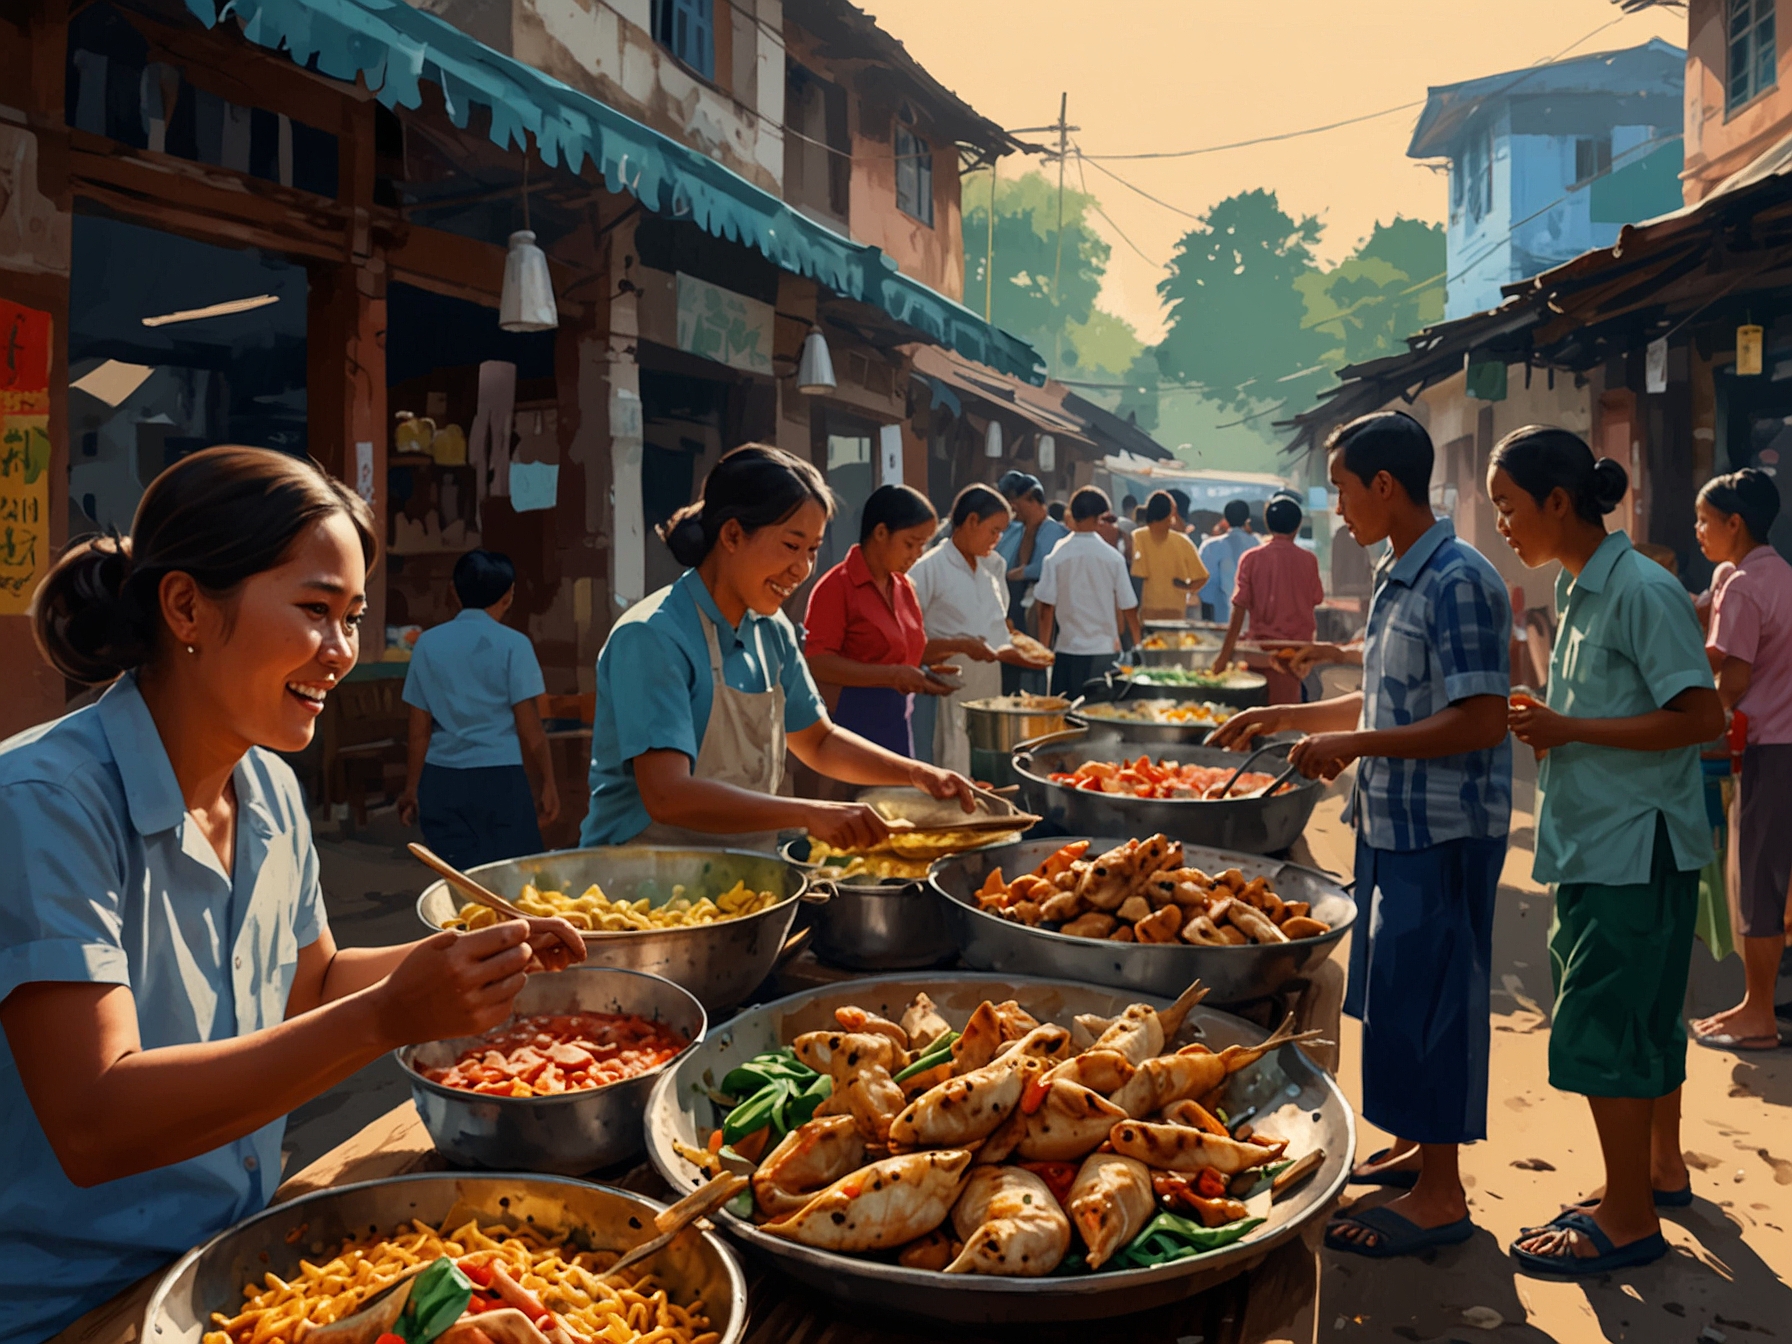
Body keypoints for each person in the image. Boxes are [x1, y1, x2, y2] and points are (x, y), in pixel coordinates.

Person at [0, 446, 586, 1342]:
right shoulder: (43, 804)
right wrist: (390, 1017)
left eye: (352, 618)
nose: (342, 652)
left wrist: (462, 954)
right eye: (316, 611)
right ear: (187, 605)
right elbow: (95, 1122)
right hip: (69, 1308)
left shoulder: (266, 789)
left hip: (233, 1262)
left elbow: (309, 981)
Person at [1213, 410, 1511, 1261]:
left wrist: (1349, 746)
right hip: (1390, 820)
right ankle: (1422, 1149)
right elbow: (1382, 703)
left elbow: (1481, 720)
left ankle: (1441, 1194)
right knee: (1398, 995)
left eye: (1343, 490)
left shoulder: (1458, 578)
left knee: (1436, 1000)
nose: (1336, 508)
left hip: (1445, 829)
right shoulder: (1398, 572)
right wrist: (1284, 714)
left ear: (1386, 486)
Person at [1487, 425, 1722, 1276]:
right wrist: (1558, 729)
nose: (1503, 524)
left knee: (1606, 1025)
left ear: (1558, 501)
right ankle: (1655, 1174)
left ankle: (1627, 1220)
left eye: (1509, 508)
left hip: (1633, 845)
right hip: (1598, 839)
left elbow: (1703, 718)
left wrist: (1570, 727)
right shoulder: (1581, 584)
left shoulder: (1641, 590)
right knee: (1644, 1020)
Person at [580, 445, 975, 854]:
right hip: (641, 882)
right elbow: (667, 796)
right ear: (732, 535)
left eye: (813, 550)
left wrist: (917, 774)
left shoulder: (771, 630)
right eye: (791, 545)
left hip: (743, 872)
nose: (802, 569)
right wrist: (808, 813)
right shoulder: (652, 637)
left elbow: (818, 742)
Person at [1687, 469, 1792, 1051]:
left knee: (1758, 881)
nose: (1698, 531)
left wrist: (1675, 709)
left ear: (1735, 523)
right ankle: (1758, 1003)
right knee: (1778, 878)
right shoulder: (1776, 574)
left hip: (1771, 746)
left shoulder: (1744, 586)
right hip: (1785, 738)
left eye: (1705, 521)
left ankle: (1758, 1013)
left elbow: (1731, 677)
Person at [396, 550, 557, 869]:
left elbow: (418, 731)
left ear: (454, 591)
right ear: (509, 595)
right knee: (512, 885)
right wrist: (548, 781)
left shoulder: (427, 644)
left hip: (442, 781)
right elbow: (531, 730)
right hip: (501, 780)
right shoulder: (515, 645)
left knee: (458, 887)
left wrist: (412, 789)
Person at [802, 485, 955, 758]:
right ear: (881, 533)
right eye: (911, 543)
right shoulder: (837, 586)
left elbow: (904, 651)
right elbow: (817, 662)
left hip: (896, 721)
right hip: (847, 728)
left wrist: (942, 664)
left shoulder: (903, 586)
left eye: (923, 545)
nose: (917, 553)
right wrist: (893, 675)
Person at [909, 485, 1045, 773]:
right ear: (971, 521)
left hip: (989, 685)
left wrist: (1019, 651)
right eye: (993, 531)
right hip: (950, 688)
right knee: (952, 763)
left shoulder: (992, 567)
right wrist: (958, 645)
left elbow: (997, 626)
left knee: (988, 764)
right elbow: (908, 637)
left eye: (1001, 533)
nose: (997, 540)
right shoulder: (928, 568)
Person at [1211, 495, 1327, 704]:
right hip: (1298, 658)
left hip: (1260, 656)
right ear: (1298, 526)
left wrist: (1224, 656)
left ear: (1267, 523)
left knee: (1259, 716)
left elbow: (1238, 611)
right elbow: (1316, 598)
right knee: (1289, 718)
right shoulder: (1309, 560)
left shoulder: (1251, 558)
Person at [1035, 486, 1141, 698]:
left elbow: (1046, 610)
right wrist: (1139, 646)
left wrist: (1042, 653)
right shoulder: (1113, 558)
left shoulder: (1056, 557)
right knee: (1101, 719)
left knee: (1065, 719)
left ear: (1072, 515)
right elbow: (1129, 607)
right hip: (1104, 653)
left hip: (1066, 652)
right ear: (1099, 517)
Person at [994, 471, 1067, 693]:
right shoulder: (1024, 530)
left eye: (1021, 503)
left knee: (1033, 661)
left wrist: (1017, 573)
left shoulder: (1051, 530)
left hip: (1037, 608)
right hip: (1018, 607)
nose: (1017, 509)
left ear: (1034, 501)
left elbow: (1044, 566)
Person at [1130, 490, 1209, 623]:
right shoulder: (1183, 541)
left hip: (1148, 610)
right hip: (1175, 611)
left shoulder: (1138, 536)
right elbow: (1202, 577)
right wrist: (1185, 586)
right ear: (1171, 513)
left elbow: (1137, 573)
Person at [1198, 499, 1260, 623]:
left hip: (1219, 619)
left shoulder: (1210, 546)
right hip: (1251, 619)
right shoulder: (1257, 545)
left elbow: (1204, 586)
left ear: (1225, 518)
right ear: (1247, 519)